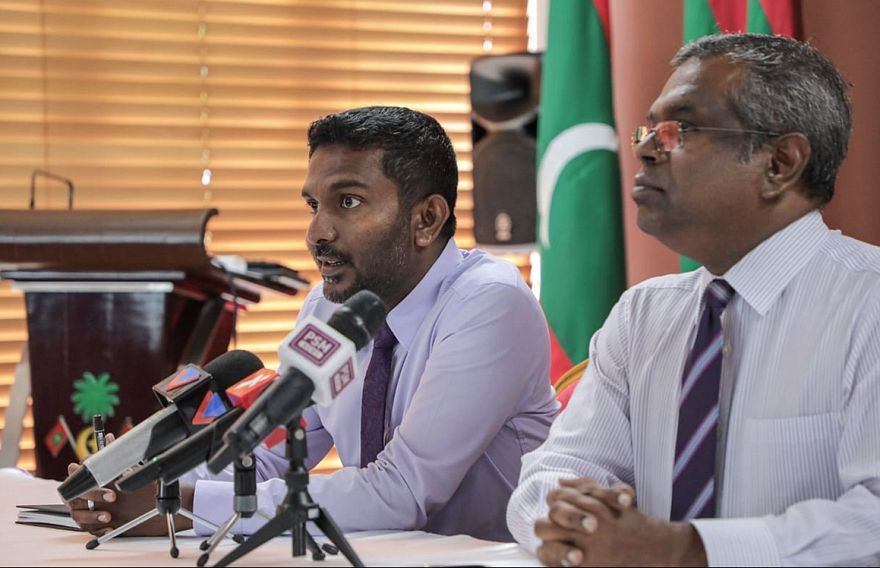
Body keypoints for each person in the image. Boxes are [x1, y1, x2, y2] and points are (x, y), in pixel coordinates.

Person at [66, 106, 558, 542]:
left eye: (349, 202)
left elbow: (403, 491)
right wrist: (150, 487)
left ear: (426, 219)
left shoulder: (488, 303)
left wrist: (184, 508)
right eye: (313, 205)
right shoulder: (327, 309)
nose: (316, 233)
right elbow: (267, 455)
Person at [507, 33, 880, 566]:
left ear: (780, 163)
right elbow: (554, 471)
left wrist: (686, 550)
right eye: (647, 129)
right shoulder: (643, 314)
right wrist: (570, 516)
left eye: (678, 130)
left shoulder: (868, 302)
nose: (644, 149)